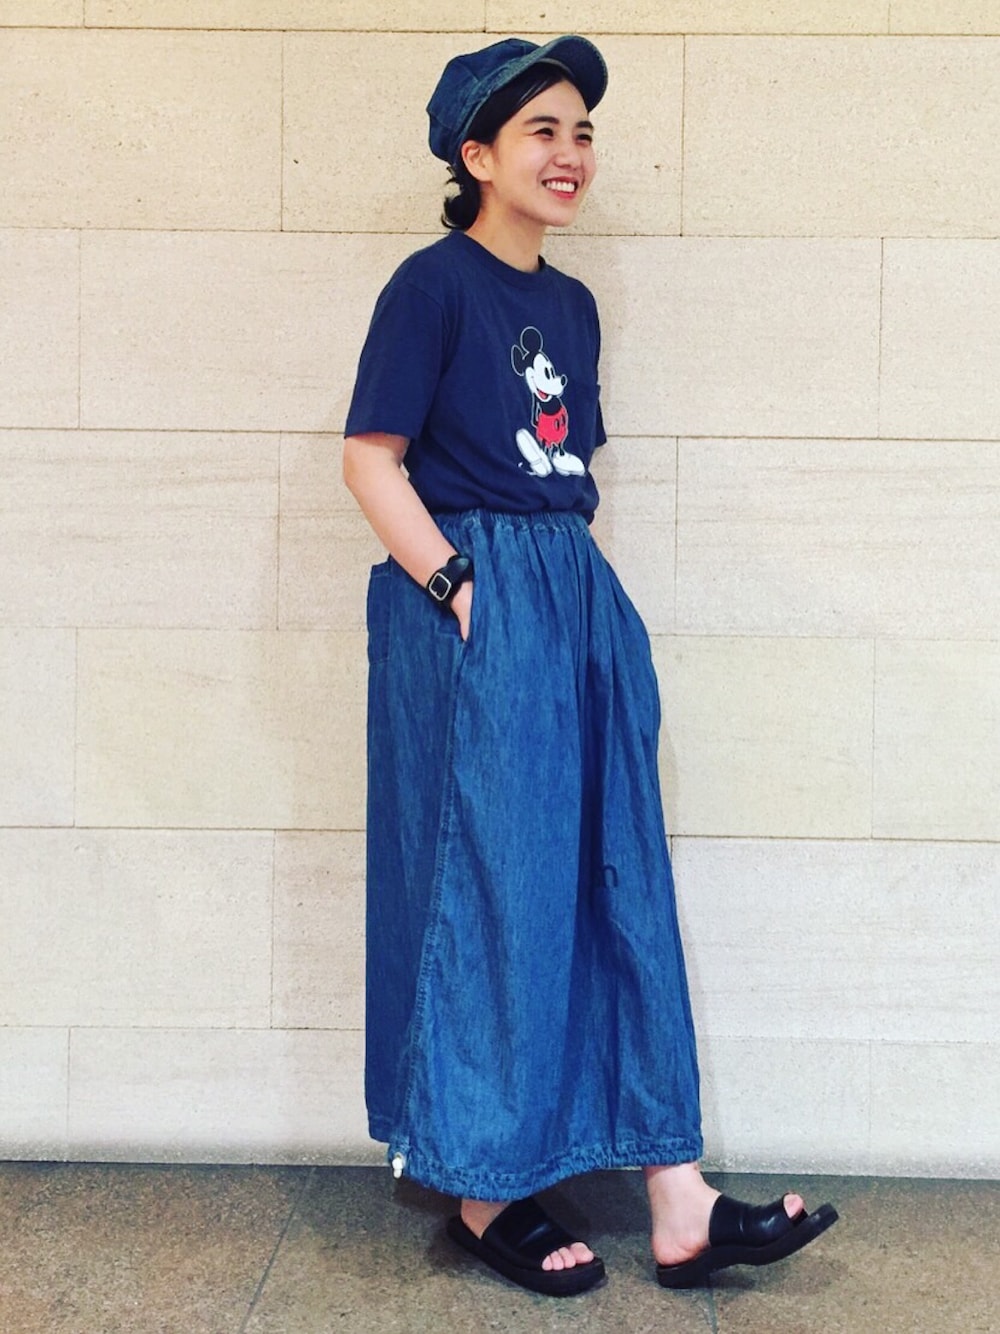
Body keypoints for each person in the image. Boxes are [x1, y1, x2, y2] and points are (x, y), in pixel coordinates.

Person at [342, 35, 838, 1298]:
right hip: (478, 595)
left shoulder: (569, 305)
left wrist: (580, 610)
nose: (569, 155)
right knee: (495, 884)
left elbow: (560, 460)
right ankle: (481, 1182)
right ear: (476, 155)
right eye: (541, 132)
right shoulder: (429, 287)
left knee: (616, 876)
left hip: (571, 587)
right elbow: (369, 457)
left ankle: (677, 1195)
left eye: (582, 133)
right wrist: (460, 590)